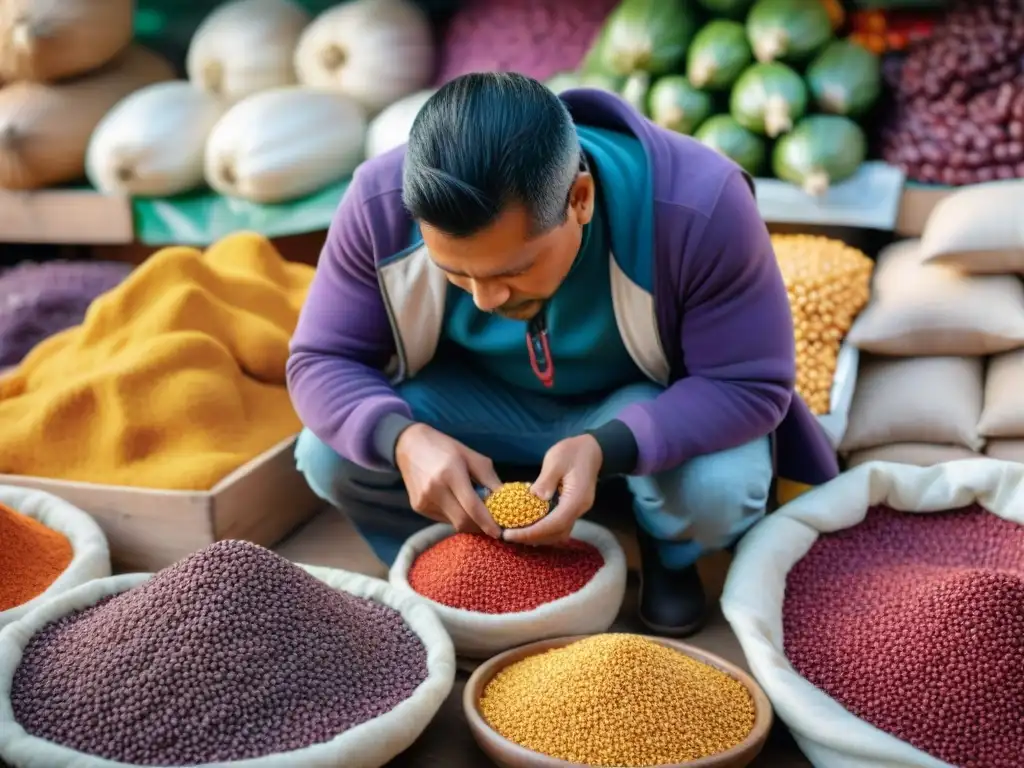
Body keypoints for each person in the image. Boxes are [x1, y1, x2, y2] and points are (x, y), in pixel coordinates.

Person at [287, 72, 839, 636]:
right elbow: (319, 360)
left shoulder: (698, 205)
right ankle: (462, 548)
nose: (485, 298)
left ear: (580, 199)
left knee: (715, 490)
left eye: (513, 271)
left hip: (635, 409)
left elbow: (747, 385)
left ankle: (667, 552)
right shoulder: (379, 204)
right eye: (453, 271)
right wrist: (403, 440)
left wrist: (607, 448)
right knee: (329, 453)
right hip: (471, 408)